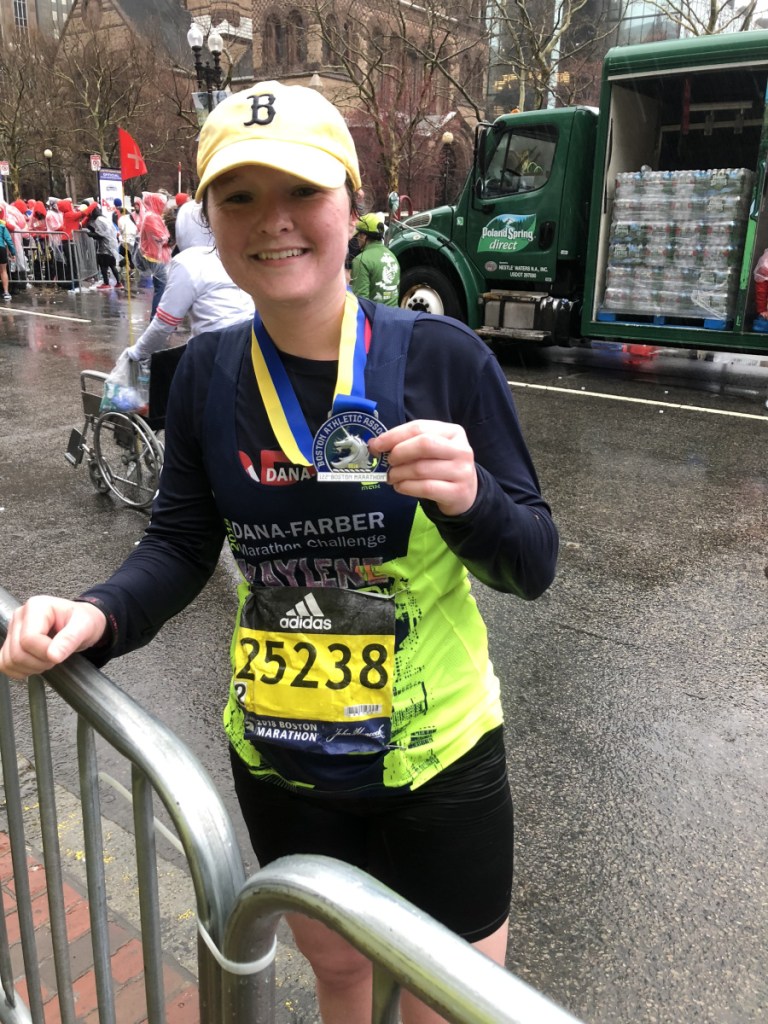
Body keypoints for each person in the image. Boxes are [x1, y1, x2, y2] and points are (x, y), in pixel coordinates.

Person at [0, 81, 558, 1024]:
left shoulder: (446, 358)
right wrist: (96, 612)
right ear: (209, 218)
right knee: (339, 980)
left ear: (352, 202)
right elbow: (179, 545)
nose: (275, 222)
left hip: (438, 759)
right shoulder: (208, 372)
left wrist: (471, 503)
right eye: (240, 198)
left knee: (442, 1006)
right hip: (286, 759)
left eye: (302, 191)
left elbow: (531, 563)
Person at [121, 199, 254, 363]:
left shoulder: (189, 261)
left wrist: (136, 352)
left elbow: (164, 323)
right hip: (248, 344)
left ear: (182, 228)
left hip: (215, 351)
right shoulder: (230, 255)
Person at [349, 212, 401, 306]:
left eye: (358, 236)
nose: (357, 240)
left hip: (375, 319)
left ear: (364, 236)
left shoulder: (361, 260)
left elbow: (361, 302)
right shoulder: (392, 256)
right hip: (394, 316)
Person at [138, 191, 172, 316]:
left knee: (162, 288)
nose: (164, 206)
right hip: (155, 258)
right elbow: (160, 237)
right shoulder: (151, 217)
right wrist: (169, 238)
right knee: (161, 289)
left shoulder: (152, 216)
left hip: (158, 257)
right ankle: (156, 318)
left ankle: (160, 318)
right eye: (162, 203)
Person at [84, 202, 123, 290]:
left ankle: (106, 283)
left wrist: (90, 234)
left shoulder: (98, 220)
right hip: (111, 246)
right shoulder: (104, 219)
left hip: (104, 247)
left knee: (103, 266)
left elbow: (100, 234)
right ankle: (119, 282)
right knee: (112, 265)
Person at [0, 208, 17, 300]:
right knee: (3, 271)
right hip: (1, 248)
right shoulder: (2, 225)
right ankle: (6, 292)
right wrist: (13, 252)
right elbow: (9, 240)